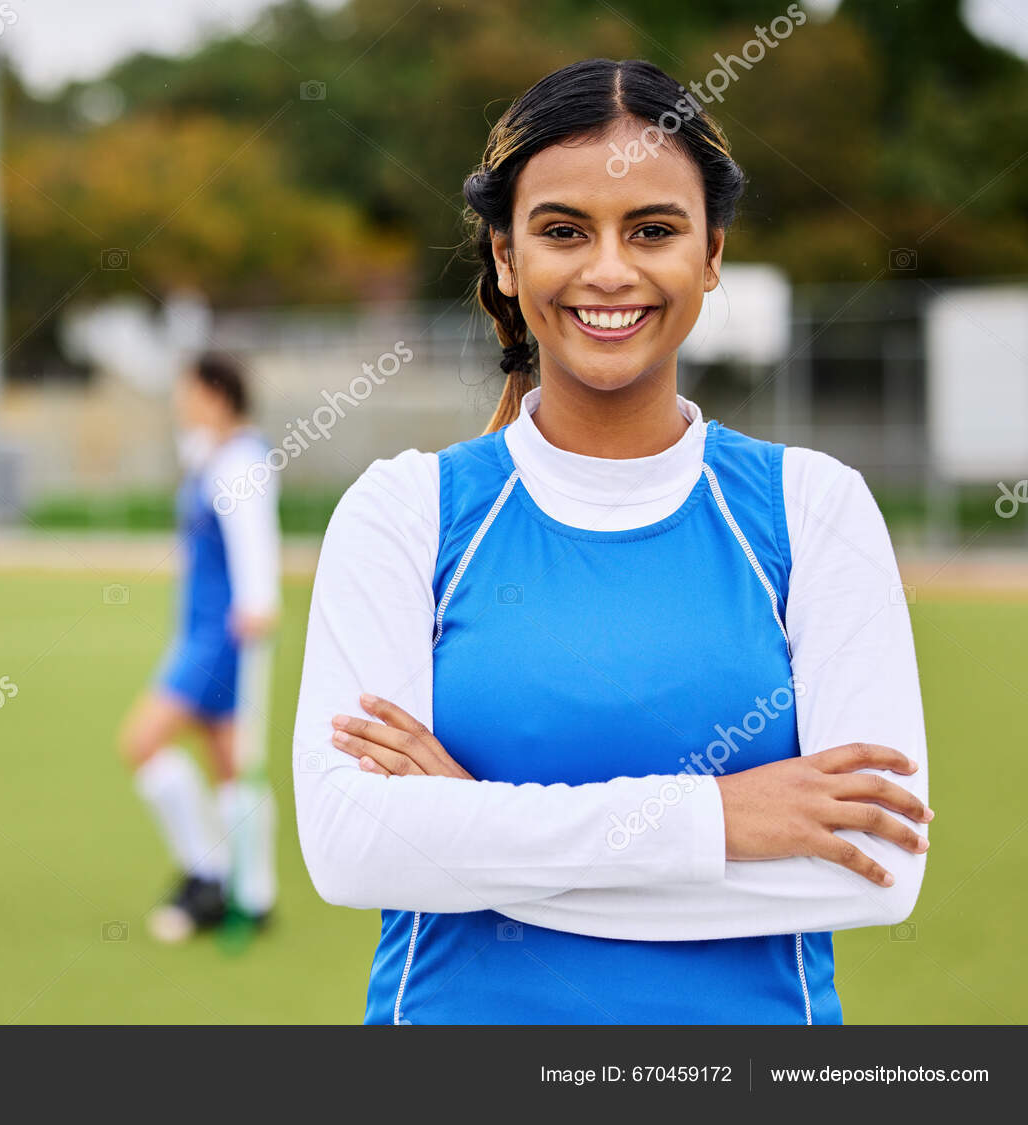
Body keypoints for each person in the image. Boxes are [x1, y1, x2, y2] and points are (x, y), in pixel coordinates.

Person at [292, 58, 932, 1024]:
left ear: (712, 253)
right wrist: (722, 820)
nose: (609, 271)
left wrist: (469, 831)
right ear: (506, 258)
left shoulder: (815, 509)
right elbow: (352, 848)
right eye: (562, 230)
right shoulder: (403, 513)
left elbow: (875, 868)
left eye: (654, 230)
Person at [120, 353, 282, 942]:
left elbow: (253, 541)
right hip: (197, 627)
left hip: (221, 634)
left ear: (215, 394)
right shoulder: (206, 452)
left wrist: (260, 605)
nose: (177, 401)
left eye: (187, 391)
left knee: (142, 743)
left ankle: (209, 874)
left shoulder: (240, 461)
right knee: (227, 759)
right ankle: (254, 893)